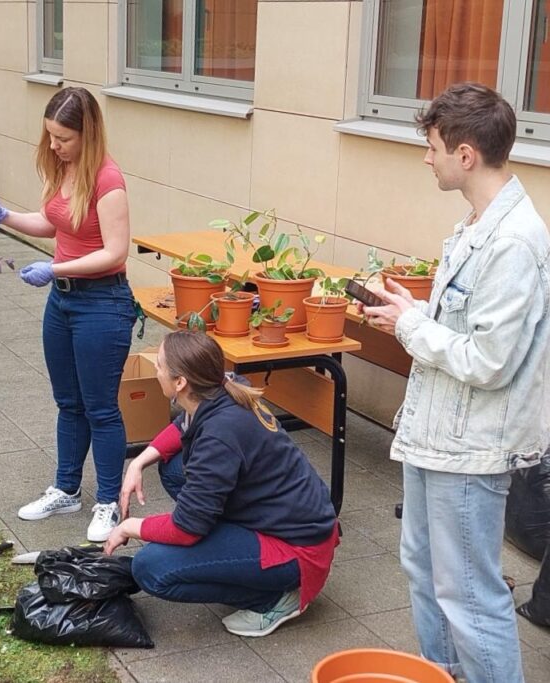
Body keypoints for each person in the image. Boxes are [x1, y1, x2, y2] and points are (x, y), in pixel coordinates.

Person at [362, 83, 550, 682]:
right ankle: (441, 675)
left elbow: (489, 360)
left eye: (433, 146)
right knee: (424, 570)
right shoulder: (477, 224)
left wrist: (411, 323)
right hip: (434, 435)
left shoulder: (515, 241)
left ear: (465, 155)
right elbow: (469, 329)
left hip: (471, 449)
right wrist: (411, 310)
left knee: (469, 595)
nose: (427, 158)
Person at [105, 331, 339, 638]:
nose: (156, 370)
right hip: (286, 519)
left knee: (151, 568)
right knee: (174, 468)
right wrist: (138, 461)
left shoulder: (219, 436)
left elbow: (186, 530)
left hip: (297, 549)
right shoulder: (226, 386)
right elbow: (184, 424)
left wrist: (129, 527)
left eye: (160, 365)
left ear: (180, 383)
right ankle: (236, 550)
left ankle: (276, 599)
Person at [0, 86, 137, 542]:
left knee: (100, 408)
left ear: (87, 135)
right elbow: (52, 223)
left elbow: (115, 252)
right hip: (64, 303)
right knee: (68, 402)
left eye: (63, 138)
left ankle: (109, 503)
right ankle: (66, 489)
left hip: (102, 304)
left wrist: (54, 267)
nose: (54, 145)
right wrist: (1, 214)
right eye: (50, 135)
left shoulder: (108, 181)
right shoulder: (64, 168)